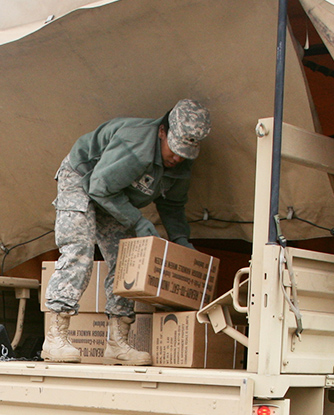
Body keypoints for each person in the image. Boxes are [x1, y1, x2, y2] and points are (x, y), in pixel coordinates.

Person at [42, 99, 212, 365]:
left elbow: (173, 203)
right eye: (175, 149)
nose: (177, 157)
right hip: (83, 179)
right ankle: (54, 338)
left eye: (185, 153)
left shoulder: (181, 163)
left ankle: (117, 343)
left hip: (114, 193)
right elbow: (98, 186)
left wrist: (181, 239)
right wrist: (138, 220)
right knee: (80, 249)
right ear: (162, 131)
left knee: (126, 260)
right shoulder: (136, 146)